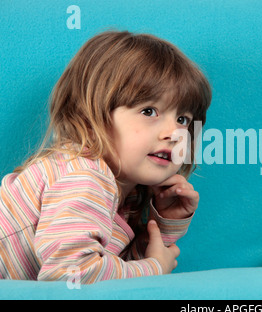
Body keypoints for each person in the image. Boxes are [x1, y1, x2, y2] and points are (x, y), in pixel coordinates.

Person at [0, 30, 212, 283]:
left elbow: (112, 275)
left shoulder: (125, 194)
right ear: (91, 117)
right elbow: (73, 275)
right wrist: (155, 268)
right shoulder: (84, 175)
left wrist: (162, 227)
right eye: (149, 111)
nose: (174, 133)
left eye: (182, 119)